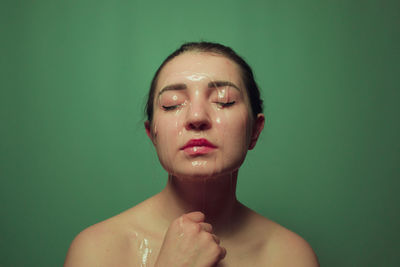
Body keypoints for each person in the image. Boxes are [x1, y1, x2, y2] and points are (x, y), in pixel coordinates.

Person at [64, 42, 319, 266]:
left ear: (254, 130)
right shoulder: (96, 250)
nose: (197, 117)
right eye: (172, 104)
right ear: (152, 134)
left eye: (224, 100)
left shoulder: (290, 256)